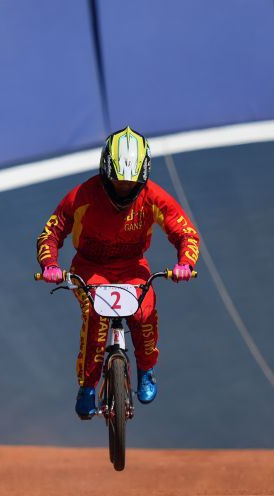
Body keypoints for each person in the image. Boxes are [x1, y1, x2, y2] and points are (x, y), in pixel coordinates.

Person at [35, 126, 200, 419]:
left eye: (130, 183)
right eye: (117, 182)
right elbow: (51, 233)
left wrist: (185, 263)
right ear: (105, 172)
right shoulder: (82, 196)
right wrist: (50, 266)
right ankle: (87, 386)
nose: (123, 189)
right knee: (96, 316)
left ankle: (146, 370)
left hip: (132, 268)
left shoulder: (153, 197)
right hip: (90, 268)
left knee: (144, 312)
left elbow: (185, 233)